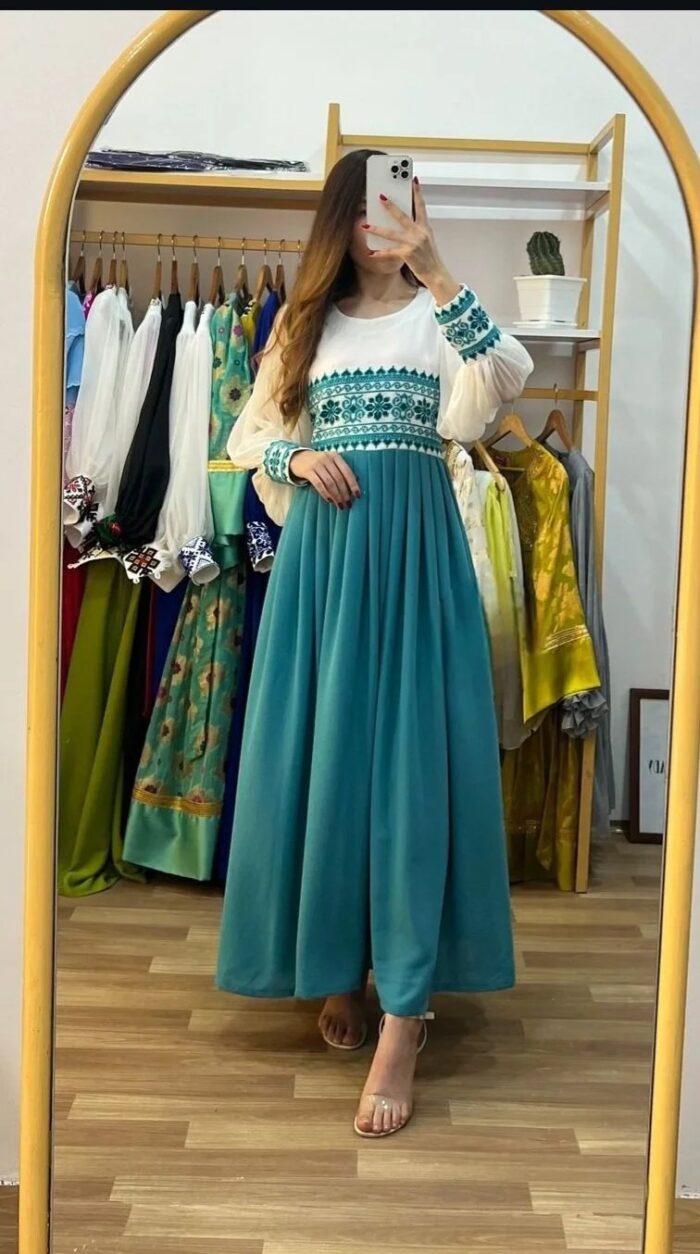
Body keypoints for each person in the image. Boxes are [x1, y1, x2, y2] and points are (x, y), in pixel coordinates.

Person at [216, 149, 534, 1138]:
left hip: (416, 566)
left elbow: (504, 382)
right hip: (325, 567)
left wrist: (437, 269)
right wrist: (295, 456)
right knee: (329, 764)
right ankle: (336, 967)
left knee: (407, 774)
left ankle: (405, 1014)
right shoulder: (303, 324)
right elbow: (244, 437)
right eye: (364, 211)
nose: (382, 225)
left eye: (398, 205)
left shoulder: (441, 314)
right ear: (338, 223)